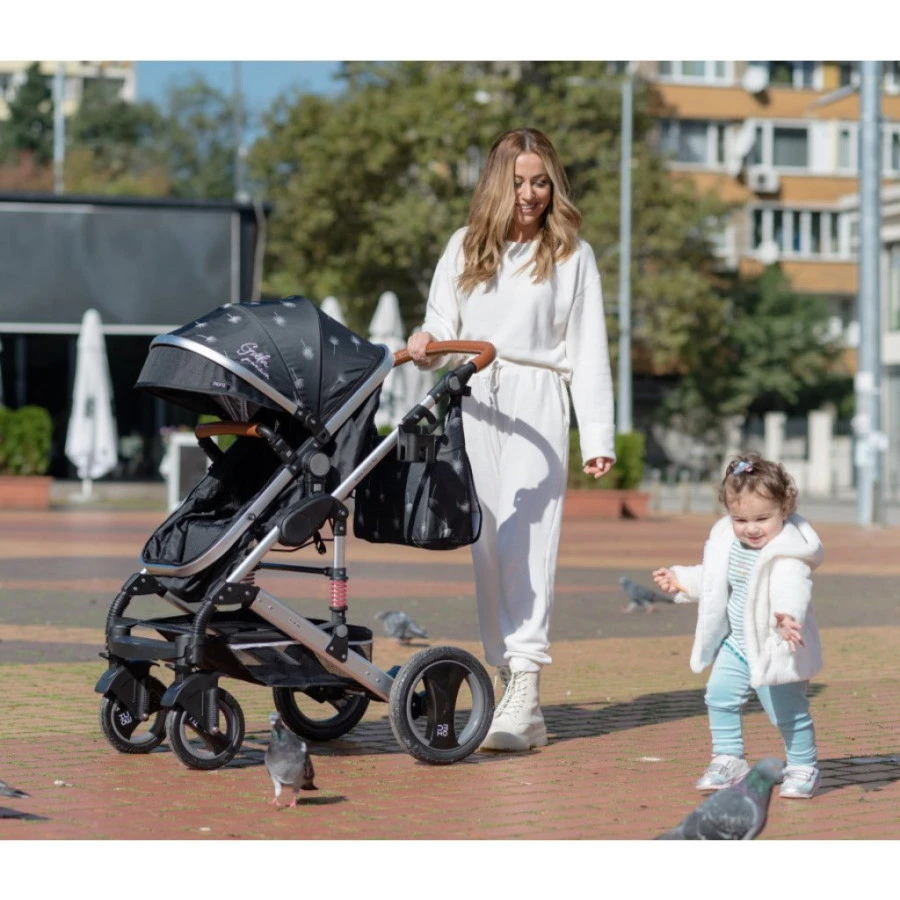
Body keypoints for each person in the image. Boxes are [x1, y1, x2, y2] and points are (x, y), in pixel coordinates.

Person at [406, 127, 615, 752]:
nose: (530, 194)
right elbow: (441, 324)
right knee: (487, 544)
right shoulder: (465, 245)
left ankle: (525, 681)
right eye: (519, 182)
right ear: (499, 183)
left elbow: (588, 349)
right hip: (474, 398)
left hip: (537, 399)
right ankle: (509, 682)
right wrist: (425, 343)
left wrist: (597, 434)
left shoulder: (572, 254)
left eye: (541, 182)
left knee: (528, 540)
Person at [652, 452, 824, 799]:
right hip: (737, 643)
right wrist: (680, 579)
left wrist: (787, 615)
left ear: (784, 509)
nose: (751, 528)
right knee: (719, 695)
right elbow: (713, 580)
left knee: (786, 713)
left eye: (762, 518)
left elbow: (793, 585)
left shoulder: (787, 550)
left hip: (775, 644)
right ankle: (728, 758)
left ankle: (804, 766)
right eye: (740, 519)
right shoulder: (727, 543)